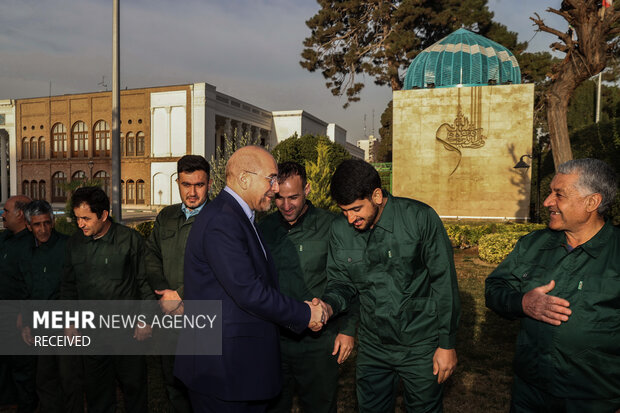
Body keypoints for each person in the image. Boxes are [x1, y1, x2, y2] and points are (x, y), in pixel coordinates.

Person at [176, 146, 327, 413]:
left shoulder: (237, 216)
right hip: (222, 371)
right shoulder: (223, 220)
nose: (276, 188)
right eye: (271, 178)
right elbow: (249, 291)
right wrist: (305, 313)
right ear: (245, 179)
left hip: (236, 367)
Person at [319, 159, 461, 412]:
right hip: (373, 347)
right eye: (344, 211)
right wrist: (329, 306)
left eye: (356, 209)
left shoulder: (420, 218)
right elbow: (342, 282)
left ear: (376, 195)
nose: (350, 218)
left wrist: (447, 343)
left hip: (421, 345)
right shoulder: (340, 230)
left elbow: (444, 283)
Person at [485, 158, 620, 412]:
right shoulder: (533, 244)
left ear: (592, 202)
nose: (547, 202)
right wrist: (521, 302)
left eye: (559, 194)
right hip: (529, 392)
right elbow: (494, 289)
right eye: (550, 193)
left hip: (594, 400)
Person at [258, 161, 358, 413]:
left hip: (318, 343)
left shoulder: (333, 226)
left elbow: (351, 280)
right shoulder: (263, 229)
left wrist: (348, 330)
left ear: (308, 189)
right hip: (274, 342)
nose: (286, 205)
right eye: (279, 198)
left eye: (294, 197)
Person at [60, 186, 154, 413]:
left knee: (134, 391)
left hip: (128, 334)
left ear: (103, 215)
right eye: (77, 218)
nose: (80, 223)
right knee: (97, 394)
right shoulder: (74, 244)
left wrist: (146, 319)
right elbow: (68, 286)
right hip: (92, 335)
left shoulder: (129, 240)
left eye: (86, 218)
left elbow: (145, 282)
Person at [145, 154, 211, 413]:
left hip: (202, 318)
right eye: (186, 184)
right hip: (168, 316)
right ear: (178, 183)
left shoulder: (219, 218)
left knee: (203, 387)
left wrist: (180, 296)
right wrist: (164, 293)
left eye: (199, 185)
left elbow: (217, 268)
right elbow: (151, 256)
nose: (192, 192)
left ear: (209, 183)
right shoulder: (167, 216)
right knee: (173, 384)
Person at [18, 200, 83, 413]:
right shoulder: (26, 252)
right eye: (37, 225)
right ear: (29, 226)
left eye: (47, 223)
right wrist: (26, 323)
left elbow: (76, 286)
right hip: (40, 324)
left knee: (69, 379)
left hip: (66, 324)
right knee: (44, 379)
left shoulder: (67, 245)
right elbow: (26, 291)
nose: (43, 229)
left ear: (53, 221)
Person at [0, 195, 37, 412]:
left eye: (6, 211)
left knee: (21, 367)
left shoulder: (31, 244)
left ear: (20, 214)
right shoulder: (5, 238)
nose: (2, 215)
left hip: (17, 315)